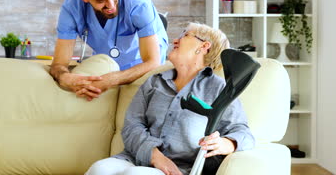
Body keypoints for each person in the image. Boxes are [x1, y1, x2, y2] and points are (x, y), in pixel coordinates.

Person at [85, 23, 255, 175]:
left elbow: (244, 133)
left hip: (179, 169)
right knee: (100, 169)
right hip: (134, 158)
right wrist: (155, 156)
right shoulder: (154, 81)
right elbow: (132, 126)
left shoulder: (219, 89)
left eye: (185, 35)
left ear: (203, 46)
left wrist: (225, 144)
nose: (175, 40)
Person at [50, 0, 168, 101]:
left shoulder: (137, 0)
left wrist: (113, 79)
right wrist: (66, 78)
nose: (111, 5)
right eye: (101, 1)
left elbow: (152, 62)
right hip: (108, 63)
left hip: (143, 61)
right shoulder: (71, 8)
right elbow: (58, 64)